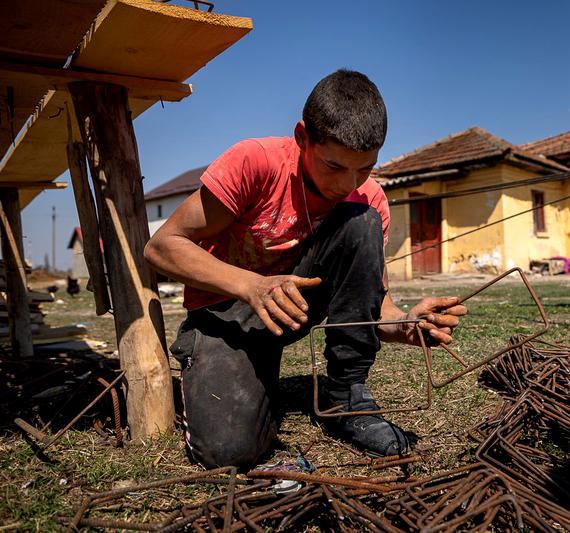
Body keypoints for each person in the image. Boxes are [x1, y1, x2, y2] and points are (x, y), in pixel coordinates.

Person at [144, 69, 467, 469]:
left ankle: (345, 395)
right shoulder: (255, 162)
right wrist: (251, 285)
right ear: (302, 137)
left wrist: (405, 325)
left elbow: (369, 304)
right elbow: (163, 246)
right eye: (334, 166)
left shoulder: (368, 199)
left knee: (360, 218)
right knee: (228, 453)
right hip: (225, 314)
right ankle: (241, 372)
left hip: (295, 307)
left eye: (364, 167)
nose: (349, 183)